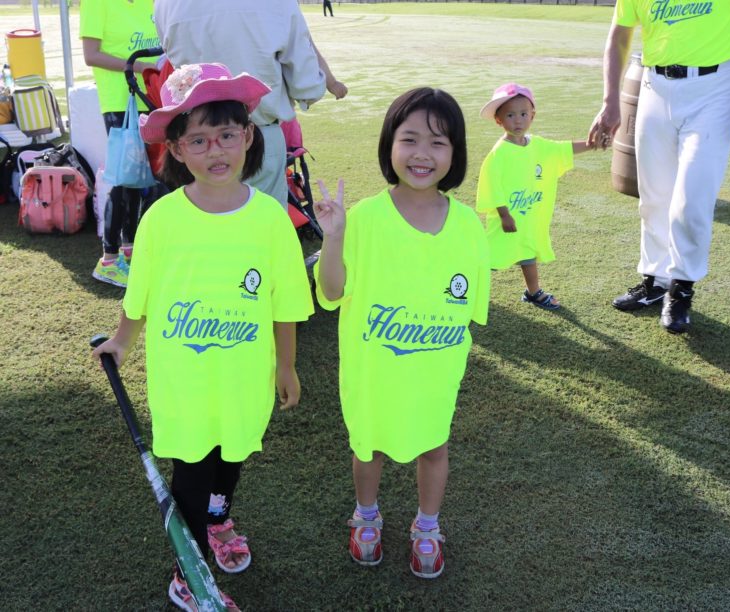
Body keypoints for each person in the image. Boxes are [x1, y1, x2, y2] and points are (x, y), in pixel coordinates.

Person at [92, 63, 314, 610]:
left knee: (231, 455)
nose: (216, 150)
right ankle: (186, 572)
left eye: (227, 135)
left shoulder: (269, 218)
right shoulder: (163, 219)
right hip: (184, 378)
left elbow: (285, 303)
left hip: (245, 376)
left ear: (249, 139)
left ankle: (218, 520)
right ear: (176, 150)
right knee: (191, 470)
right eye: (198, 139)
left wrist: (286, 366)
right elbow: (139, 292)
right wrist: (122, 341)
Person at [314, 88, 490, 579]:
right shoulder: (364, 219)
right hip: (374, 374)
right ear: (388, 145)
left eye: (438, 143)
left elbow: (468, 308)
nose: (421, 154)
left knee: (434, 444)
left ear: (455, 153)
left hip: (434, 374)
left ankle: (427, 526)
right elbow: (330, 293)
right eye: (408, 139)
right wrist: (334, 239)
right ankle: (365, 514)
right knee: (367, 445)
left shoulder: (468, 227)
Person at [589, 0, 730, 333]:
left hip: (715, 86)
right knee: (654, 194)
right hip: (654, 85)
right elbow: (619, 36)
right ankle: (656, 281)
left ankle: (681, 288)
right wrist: (609, 101)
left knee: (692, 195)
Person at [153, 0, 327, 208]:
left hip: (194, 140)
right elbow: (307, 85)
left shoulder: (166, 3)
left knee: (204, 223)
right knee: (264, 226)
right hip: (258, 130)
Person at [476, 82, 597, 310]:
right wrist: (504, 215)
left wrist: (592, 145)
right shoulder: (499, 153)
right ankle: (467, 288)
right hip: (507, 221)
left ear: (533, 115)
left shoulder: (538, 145)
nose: (518, 120)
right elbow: (491, 185)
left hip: (530, 219)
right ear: (498, 120)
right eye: (510, 115)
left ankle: (533, 292)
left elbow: (564, 149)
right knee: (489, 258)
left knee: (528, 254)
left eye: (523, 114)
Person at [80, 0, 161, 287]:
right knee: (124, 178)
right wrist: (138, 66)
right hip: (119, 102)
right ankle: (109, 260)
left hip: (153, 98)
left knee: (144, 181)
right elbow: (91, 55)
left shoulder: (153, 4)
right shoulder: (96, 4)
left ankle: (131, 252)